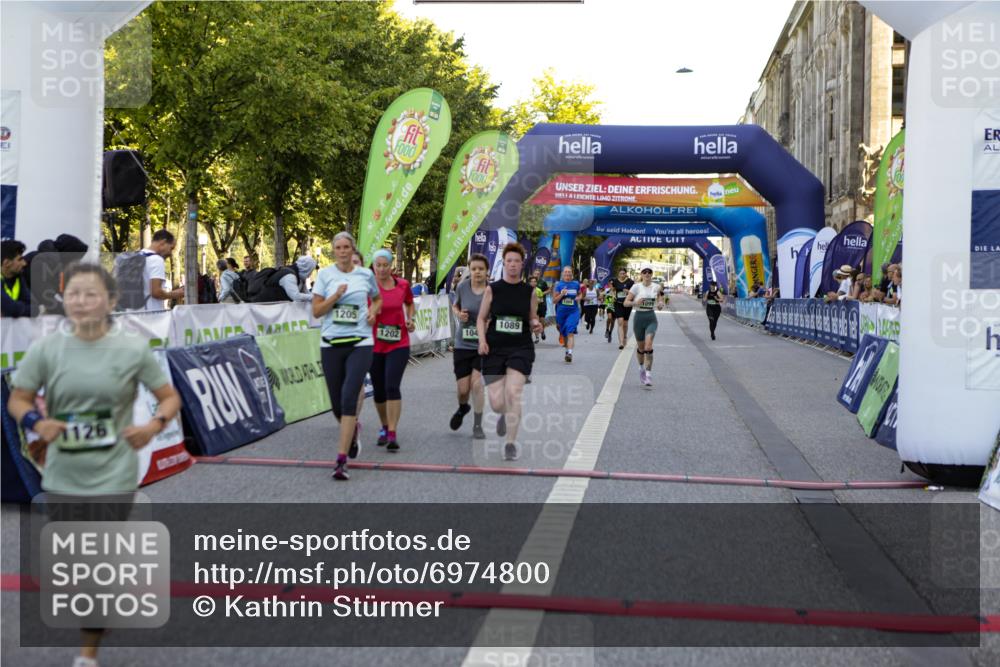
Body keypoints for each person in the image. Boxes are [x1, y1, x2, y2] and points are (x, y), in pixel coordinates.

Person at [7, 262, 181, 667]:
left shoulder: (131, 349)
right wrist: (36, 421)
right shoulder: (47, 349)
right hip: (63, 470)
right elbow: (18, 398)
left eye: (91, 294)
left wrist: (153, 426)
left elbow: (169, 397)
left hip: (113, 470)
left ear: (112, 301)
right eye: (73, 294)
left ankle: (87, 655)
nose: (81, 302)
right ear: (64, 300)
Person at [313, 232, 382, 481]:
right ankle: (351, 432)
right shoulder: (325, 275)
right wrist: (335, 296)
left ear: (353, 250)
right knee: (336, 405)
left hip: (361, 342)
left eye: (346, 247)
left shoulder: (365, 274)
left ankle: (341, 461)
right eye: (338, 247)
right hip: (331, 343)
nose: (342, 251)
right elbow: (317, 311)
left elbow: (377, 299)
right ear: (334, 251)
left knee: (349, 394)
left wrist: (373, 312)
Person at [477, 243, 542, 461]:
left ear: (522, 265)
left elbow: (532, 316)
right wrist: (482, 340)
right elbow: (481, 318)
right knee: (496, 402)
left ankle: (511, 443)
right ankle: (503, 414)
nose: (513, 265)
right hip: (495, 347)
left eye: (516, 261)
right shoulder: (492, 289)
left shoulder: (529, 291)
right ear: (504, 264)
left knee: (513, 393)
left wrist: (536, 323)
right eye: (509, 261)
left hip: (520, 347)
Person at [370, 249, 415, 452]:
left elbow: (409, 303)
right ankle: (384, 425)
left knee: (391, 386)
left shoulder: (402, 284)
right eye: (377, 265)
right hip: (374, 345)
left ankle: (393, 433)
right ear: (373, 266)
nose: (381, 269)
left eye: (384, 265)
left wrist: (410, 318)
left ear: (391, 266)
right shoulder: (367, 287)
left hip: (399, 343)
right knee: (379, 391)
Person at [450, 253, 489, 439]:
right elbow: (455, 306)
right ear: (469, 270)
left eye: (481, 269)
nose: (477, 272)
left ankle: (478, 424)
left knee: (477, 385)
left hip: (483, 345)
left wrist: (490, 323)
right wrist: (460, 315)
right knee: (463, 389)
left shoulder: (492, 291)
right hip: (462, 344)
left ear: (487, 271)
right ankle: (462, 407)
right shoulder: (462, 287)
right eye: (474, 269)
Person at [623, 267, 664, 386]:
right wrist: (635, 302)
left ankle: (648, 374)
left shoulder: (656, 287)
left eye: (649, 272)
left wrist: (661, 303)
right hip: (639, 318)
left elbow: (661, 298)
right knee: (641, 349)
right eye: (644, 272)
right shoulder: (636, 287)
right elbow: (626, 303)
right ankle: (641, 368)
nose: (647, 274)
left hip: (651, 318)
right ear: (641, 274)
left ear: (652, 275)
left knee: (648, 345)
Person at [140, 229, 185, 311]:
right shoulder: (156, 260)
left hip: (131, 316)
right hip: (150, 316)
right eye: (171, 248)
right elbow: (156, 292)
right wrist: (176, 293)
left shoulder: (133, 257)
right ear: (163, 243)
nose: (170, 253)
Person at [553, 266, 583, 363]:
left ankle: (569, 353)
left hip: (573, 311)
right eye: (565, 272)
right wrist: (562, 294)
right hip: (561, 312)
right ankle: (567, 349)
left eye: (569, 272)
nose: (567, 274)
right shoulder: (559, 285)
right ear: (563, 274)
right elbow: (554, 301)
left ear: (572, 274)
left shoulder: (576, 284)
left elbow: (580, 294)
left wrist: (579, 297)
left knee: (570, 331)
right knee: (564, 332)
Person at [1, 239, 31, 317]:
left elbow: (34, 307)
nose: (24, 263)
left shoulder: (18, 277)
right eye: (20, 259)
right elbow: (12, 309)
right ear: (6, 263)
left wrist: (16, 308)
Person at [609, 268, 635, 349]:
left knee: (625, 323)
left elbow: (633, 292)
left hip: (627, 304)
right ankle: (621, 342)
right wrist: (613, 296)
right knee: (620, 321)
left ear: (626, 274)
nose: (622, 275)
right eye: (621, 273)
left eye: (624, 273)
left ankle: (624, 337)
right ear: (618, 274)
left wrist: (627, 291)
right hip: (618, 304)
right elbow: (612, 290)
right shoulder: (615, 281)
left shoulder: (630, 282)